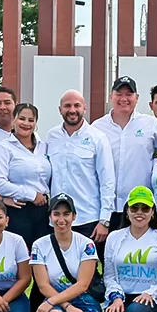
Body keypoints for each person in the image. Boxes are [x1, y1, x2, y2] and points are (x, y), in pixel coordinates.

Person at [32, 195, 103, 312]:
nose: (61, 219)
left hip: (84, 300)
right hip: (55, 298)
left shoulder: (86, 244)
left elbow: (83, 284)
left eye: (66, 214)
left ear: (74, 216)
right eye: (56, 214)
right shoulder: (39, 245)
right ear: (50, 217)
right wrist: (67, 306)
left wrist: (54, 302)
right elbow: (43, 285)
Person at [44, 90, 116, 242]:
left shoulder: (98, 138)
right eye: (67, 106)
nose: (72, 110)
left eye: (77, 105)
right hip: (57, 219)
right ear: (60, 109)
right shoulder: (51, 136)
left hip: (87, 219)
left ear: (84, 108)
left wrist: (104, 220)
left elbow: (107, 181)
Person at [95, 76, 157, 227]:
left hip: (139, 207)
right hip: (105, 208)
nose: (124, 99)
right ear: (111, 96)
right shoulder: (97, 127)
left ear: (137, 98)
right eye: (119, 94)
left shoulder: (150, 124)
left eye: (129, 94)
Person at [0, 102, 52, 245]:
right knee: (21, 252)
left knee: (42, 251)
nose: (26, 123)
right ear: (13, 120)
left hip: (44, 210)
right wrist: (31, 195)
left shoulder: (43, 147)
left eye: (31, 120)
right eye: (22, 118)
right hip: (19, 209)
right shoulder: (4, 147)